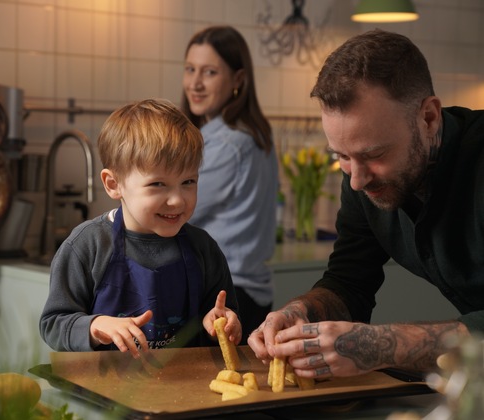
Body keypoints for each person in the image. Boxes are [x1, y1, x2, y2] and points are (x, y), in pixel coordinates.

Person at [248, 28, 484, 379]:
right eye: (341, 156)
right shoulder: (360, 177)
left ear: (429, 118)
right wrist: (303, 311)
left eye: (374, 154)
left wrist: (382, 344)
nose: (356, 180)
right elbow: (349, 281)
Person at [39, 98, 241, 358]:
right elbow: (53, 324)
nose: (178, 199)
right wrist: (96, 325)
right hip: (103, 394)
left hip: (186, 392)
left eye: (188, 181)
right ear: (114, 184)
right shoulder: (86, 247)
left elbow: (224, 314)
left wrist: (221, 321)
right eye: (158, 184)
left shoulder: (203, 249)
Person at [181, 25, 279, 344]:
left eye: (209, 72)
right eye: (190, 69)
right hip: (249, 294)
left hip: (225, 298)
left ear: (238, 80)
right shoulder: (251, 134)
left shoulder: (227, 145)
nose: (195, 83)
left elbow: (176, 210)